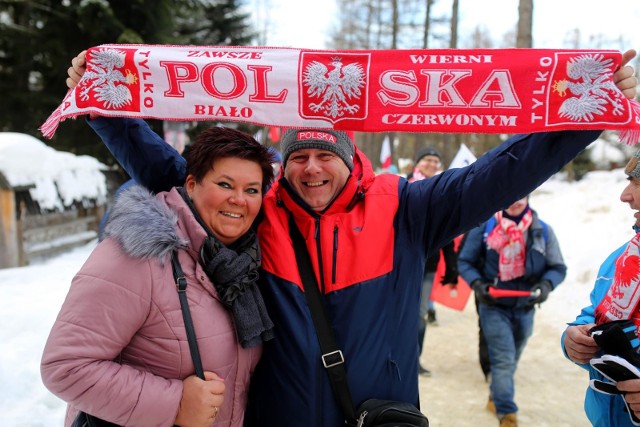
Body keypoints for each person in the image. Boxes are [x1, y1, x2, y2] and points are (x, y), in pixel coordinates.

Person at [64, 49, 638, 427]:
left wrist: (585, 114)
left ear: (349, 157)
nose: (312, 169)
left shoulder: (407, 208)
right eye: (299, 157)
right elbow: (174, 173)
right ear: (281, 165)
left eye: (324, 155)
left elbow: (501, 173)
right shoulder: (263, 211)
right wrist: (103, 108)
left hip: (378, 417)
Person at [40, 127, 275, 427]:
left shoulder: (244, 266)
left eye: (252, 190)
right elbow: (65, 366)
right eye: (225, 184)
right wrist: (175, 403)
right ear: (191, 184)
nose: (239, 200)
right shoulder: (139, 254)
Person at [457, 194, 566, 426]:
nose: (515, 202)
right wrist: (478, 284)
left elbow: (557, 267)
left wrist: (546, 285)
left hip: (526, 307)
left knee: (513, 356)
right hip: (493, 306)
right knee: (504, 359)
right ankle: (506, 413)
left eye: (521, 197)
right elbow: (464, 261)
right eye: (509, 197)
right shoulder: (485, 226)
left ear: (528, 197)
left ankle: (495, 396)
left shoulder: (542, 231)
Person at [563, 148, 640, 427]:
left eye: (637, 183)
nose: (625, 196)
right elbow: (595, 315)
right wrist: (573, 338)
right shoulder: (624, 256)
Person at [408, 146, 459, 376]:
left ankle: (413, 360)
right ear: (417, 164)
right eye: (427, 159)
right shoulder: (403, 187)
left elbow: (446, 232)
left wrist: (451, 265)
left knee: (419, 314)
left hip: (427, 264)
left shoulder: (441, 193)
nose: (431, 164)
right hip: (399, 261)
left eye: (435, 161)